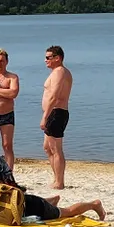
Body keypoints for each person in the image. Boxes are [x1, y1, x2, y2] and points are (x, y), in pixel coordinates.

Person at [41, 45, 73, 189]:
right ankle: (56, 178)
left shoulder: (60, 72)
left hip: (56, 112)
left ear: (57, 58)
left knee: (55, 148)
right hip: (54, 113)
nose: (45, 60)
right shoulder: (58, 72)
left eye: (48, 57)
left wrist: (45, 116)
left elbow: (54, 95)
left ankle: (59, 182)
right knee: (47, 147)